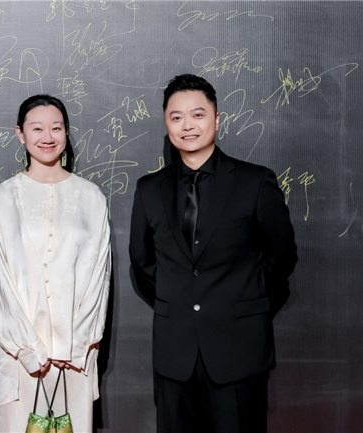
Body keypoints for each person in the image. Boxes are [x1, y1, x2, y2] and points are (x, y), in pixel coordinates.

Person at [129, 74, 298, 433]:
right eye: (176, 117)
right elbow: (142, 263)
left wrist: (242, 300)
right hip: (175, 357)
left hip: (239, 351)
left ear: (217, 120)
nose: (187, 125)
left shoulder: (255, 182)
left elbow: (281, 257)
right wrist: (178, 298)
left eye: (198, 114)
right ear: (166, 124)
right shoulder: (149, 189)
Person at [0, 94, 111, 433]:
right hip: (19, 359)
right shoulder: (3, 198)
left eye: (56, 128)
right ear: (20, 133)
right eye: (37, 128)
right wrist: (28, 349)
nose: (47, 137)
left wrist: (76, 344)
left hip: (76, 358)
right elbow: (0, 282)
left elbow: (99, 280)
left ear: (66, 132)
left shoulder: (91, 197)